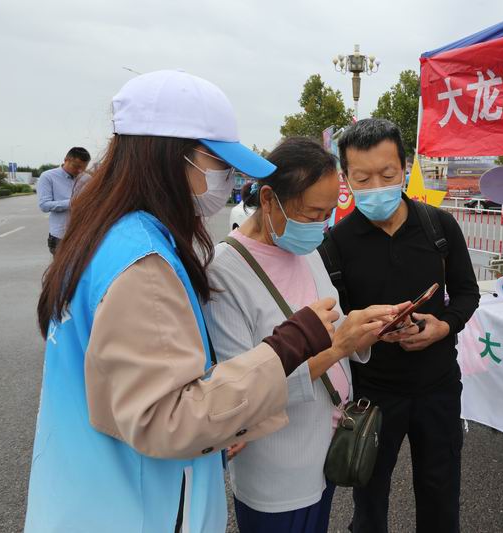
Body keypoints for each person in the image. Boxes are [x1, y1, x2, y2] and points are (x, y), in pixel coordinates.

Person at [25, 70, 340, 533]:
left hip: (84, 494)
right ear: (172, 157)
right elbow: (168, 418)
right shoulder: (144, 265)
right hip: (139, 508)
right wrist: (290, 344)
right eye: (219, 163)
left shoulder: (106, 236)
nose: (227, 180)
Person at [204, 137, 399, 533]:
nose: (320, 227)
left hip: (328, 447)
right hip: (279, 467)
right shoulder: (224, 272)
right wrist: (338, 348)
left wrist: (363, 330)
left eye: (327, 214)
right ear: (269, 199)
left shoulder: (307, 250)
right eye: (312, 214)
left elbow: (334, 325)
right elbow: (243, 389)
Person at [319, 118, 480, 533]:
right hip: (372, 394)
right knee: (369, 498)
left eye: (387, 174)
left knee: (440, 491)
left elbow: (467, 293)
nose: (376, 187)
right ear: (346, 178)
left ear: (405, 167)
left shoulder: (439, 227)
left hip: (438, 386)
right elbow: (335, 322)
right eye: (362, 179)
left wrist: (443, 326)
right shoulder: (335, 244)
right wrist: (364, 332)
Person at [36, 147, 91, 254]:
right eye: (76, 166)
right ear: (66, 160)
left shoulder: (87, 178)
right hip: (60, 237)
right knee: (62, 265)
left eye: (83, 168)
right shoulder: (48, 176)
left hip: (83, 235)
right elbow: (44, 205)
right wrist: (71, 203)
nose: (80, 171)